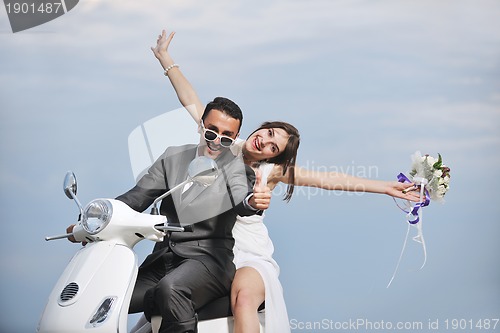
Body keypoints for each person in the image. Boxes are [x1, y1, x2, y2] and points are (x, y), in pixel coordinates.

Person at [148, 30, 421, 333]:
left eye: (273, 147)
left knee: (244, 300)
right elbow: (192, 102)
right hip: (203, 250)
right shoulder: (226, 143)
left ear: (274, 157)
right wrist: (164, 57)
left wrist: (384, 186)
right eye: (267, 132)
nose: (264, 142)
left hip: (245, 252)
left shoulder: (269, 172)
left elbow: (328, 180)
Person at [68, 96, 273, 333]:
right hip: (162, 262)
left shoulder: (237, 169)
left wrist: (253, 201)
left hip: (207, 263)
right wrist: (94, 222)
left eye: (226, 138)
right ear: (201, 126)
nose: (217, 142)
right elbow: (136, 198)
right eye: (211, 132)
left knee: (171, 289)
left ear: (235, 139)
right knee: (103, 290)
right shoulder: (173, 158)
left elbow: (242, 199)